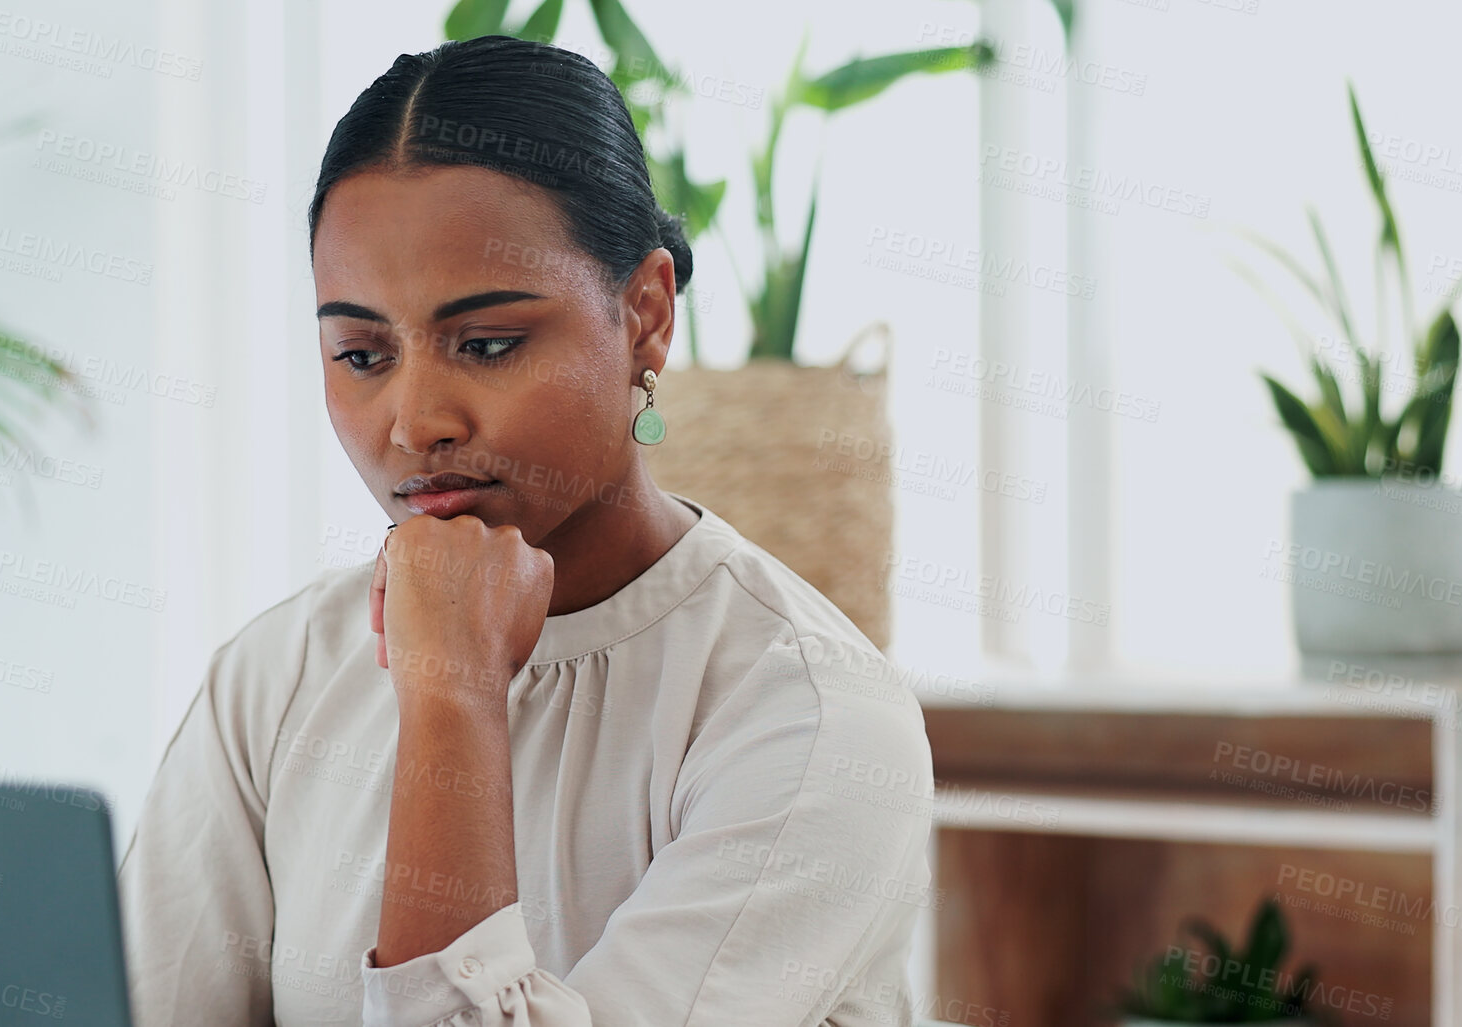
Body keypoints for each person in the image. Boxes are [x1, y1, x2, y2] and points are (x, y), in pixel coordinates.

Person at [117, 34, 934, 1026]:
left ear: (644, 316)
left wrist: (453, 698)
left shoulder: (808, 714)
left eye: (489, 343)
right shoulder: (275, 677)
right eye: (362, 354)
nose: (417, 422)